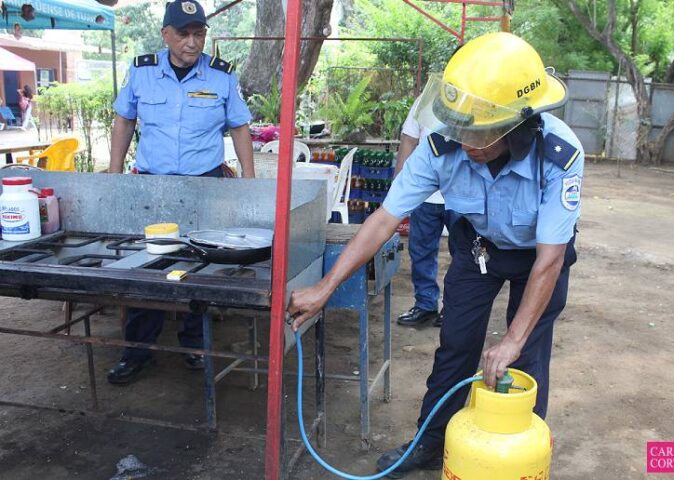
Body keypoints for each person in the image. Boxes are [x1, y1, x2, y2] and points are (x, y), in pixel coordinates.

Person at [288, 32, 583, 477]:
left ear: (517, 123)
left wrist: (512, 339)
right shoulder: (441, 147)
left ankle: (519, 456)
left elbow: (550, 260)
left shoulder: (560, 156)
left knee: (524, 356)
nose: (464, 141)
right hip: (478, 249)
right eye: (460, 127)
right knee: (455, 346)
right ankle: (430, 441)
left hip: (538, 260)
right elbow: (384, 220)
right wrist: (325, 287)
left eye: (478, 131)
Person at [107, 0, 255, 385]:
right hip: (152, 186)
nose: (192, 42)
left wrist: (249, 180)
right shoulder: (142, 72)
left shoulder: (221, 76)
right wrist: (114, 173)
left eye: (199, 34)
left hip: (204, 185)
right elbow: (124, 120)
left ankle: (194, 345)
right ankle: (137, 350)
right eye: (184, 34)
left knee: (198, 265)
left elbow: (239, 126)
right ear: (165, 35)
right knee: (147, 266)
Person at [395, 97, 458, 328]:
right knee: (420, 251)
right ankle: (425, 304)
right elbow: (409, 140)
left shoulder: (473, 98)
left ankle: (454, 308)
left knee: (463, 254)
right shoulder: (426, 100)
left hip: (461, 193)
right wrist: (399, 184)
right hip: (425, 192)